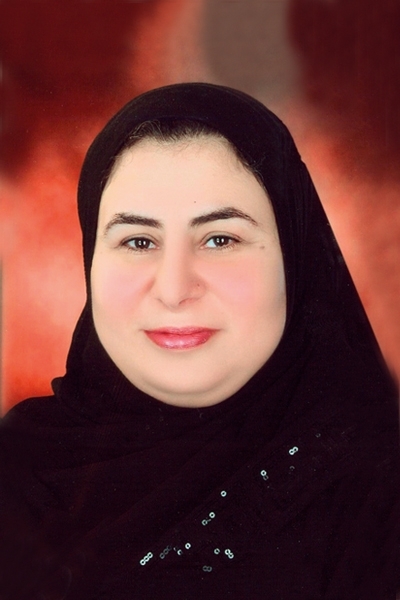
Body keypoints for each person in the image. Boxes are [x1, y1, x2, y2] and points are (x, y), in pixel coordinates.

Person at [0, 83, 398, 599]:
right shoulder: (17, 470)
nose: (173, 289)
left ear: (295, 258)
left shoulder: (376, 498)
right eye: (138, 241)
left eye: (219, 239)